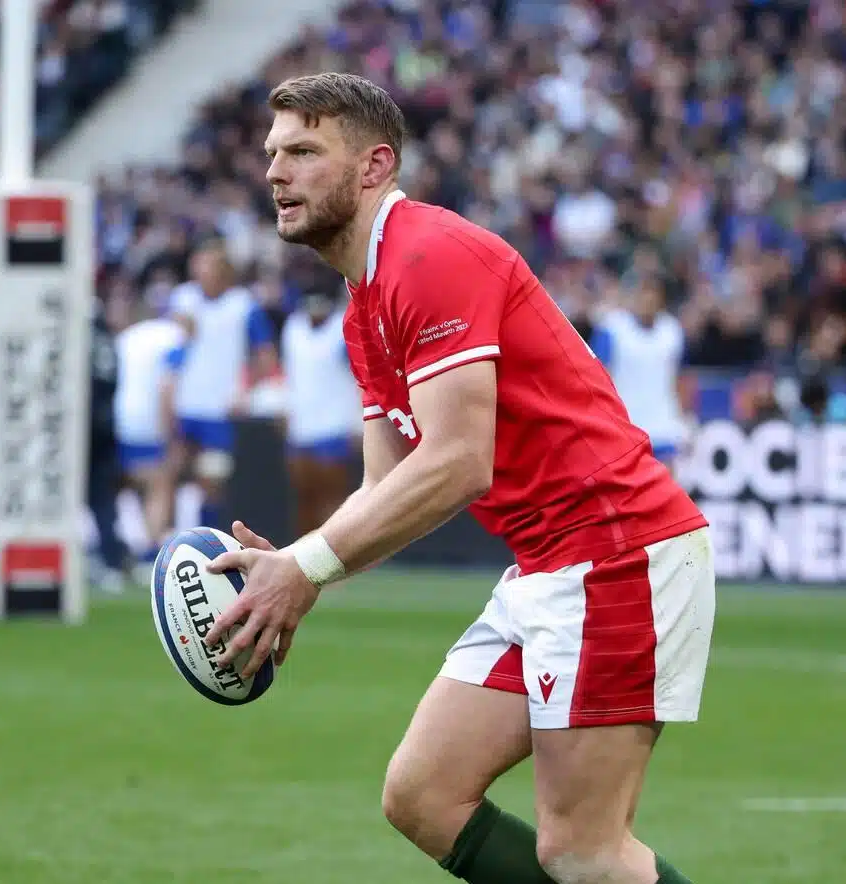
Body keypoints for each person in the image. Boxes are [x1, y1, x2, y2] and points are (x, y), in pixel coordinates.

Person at [203, 73, 714, 884]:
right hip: (552, 565)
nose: (275, 172)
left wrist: (307, 569)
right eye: (273, 154)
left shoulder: (427, 254)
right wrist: (288, 569)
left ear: (374, 167)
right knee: (423, 795)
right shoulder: (363, 300)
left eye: (304, 151)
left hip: (616, 552)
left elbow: (458, 461)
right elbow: (387, 487)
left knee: (583, 849)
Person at [165, 239, 278, 531]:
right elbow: (170, 346)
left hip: (219, 408)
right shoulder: (183, 299)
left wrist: (245, 390)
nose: (203, 273)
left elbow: (266, 356)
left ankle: (206, 541)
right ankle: (162, 541)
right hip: (183, 403)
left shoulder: (243, 305)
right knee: (170, 472)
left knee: (212, 480)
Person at [280, 288, 363, 534]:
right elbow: (290, 374)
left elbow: (361, 377)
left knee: (333, 500)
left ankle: (336, 559)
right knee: (304, 499)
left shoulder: (343, 328)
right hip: (300, 428)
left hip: (334, 426)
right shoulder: (293, 329)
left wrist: (358, 423)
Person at [113, 298, 185, 570]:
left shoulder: (127, 338)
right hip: (149, 420)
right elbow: (167, 385)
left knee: (136, 484)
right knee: (160, 485)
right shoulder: (172, 337)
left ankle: (136, 545)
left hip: (122, 417)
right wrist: (171, 431)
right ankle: (151, 552)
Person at [590, 277, 690, 469]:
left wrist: (684, 417)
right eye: (643, 294)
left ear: (661, 299)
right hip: (626, 424)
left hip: (664, 424)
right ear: (632, 296)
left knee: (668, 490)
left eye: (653, 295)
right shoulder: (612, 329)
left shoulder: (673, 331)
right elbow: (599, 378)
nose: (647, 300)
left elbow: (680, 379)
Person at [86, 297, 128, 592]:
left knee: (98, 500)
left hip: (82, 428)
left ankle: (109, 559)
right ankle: (113, 556)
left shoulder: (80, 339)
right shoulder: (108, 341)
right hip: (105, 425)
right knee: (103, 502)